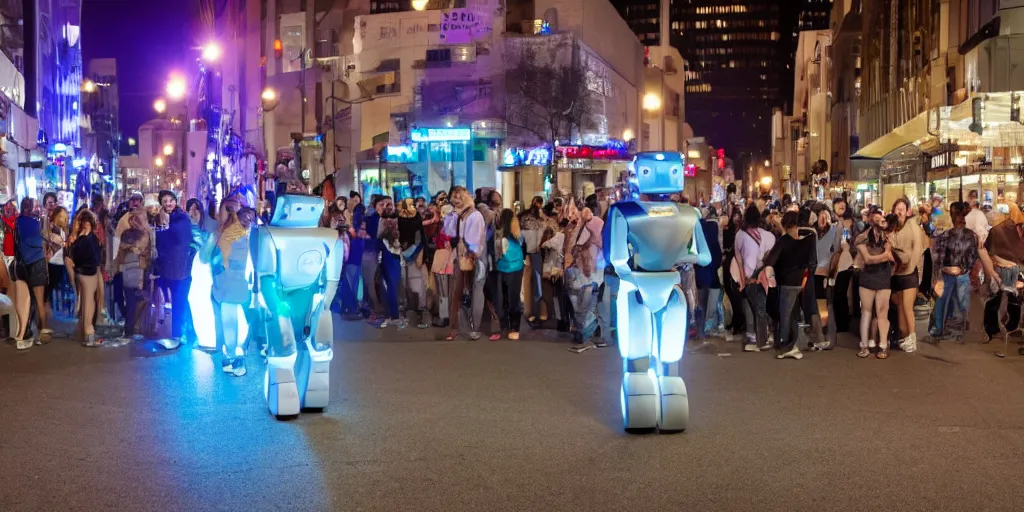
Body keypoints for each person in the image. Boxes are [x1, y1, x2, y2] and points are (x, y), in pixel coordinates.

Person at [209, 196, 254, 376]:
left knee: (230, 317)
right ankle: (232, 354)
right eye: (230, 209)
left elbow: (219, 256)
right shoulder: (230, 230)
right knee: (229, 317)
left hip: (232, 281)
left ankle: (233, 354)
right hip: (230, 280)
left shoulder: (234, 231)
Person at [763, 210, 816, 360]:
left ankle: (788, 345)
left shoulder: (784, 241)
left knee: (785, 314)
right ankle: (792, 344)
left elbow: (770, 261)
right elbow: (811, 262)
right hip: (801, 281)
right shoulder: (807, 240)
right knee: (793, 314)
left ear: (785, 224)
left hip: (786, 282)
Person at [929, 201, 979, 340]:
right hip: (946, 274)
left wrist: (962, 269)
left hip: (961, 274)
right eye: (957, 215)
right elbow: (938, 256)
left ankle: (958, 329)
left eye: (962, 215)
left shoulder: (970, 236)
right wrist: (940, 272)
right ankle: (938, 328)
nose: (960, 218)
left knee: (962, 303)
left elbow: (973, 255)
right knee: (941, 301)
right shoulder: (945, 235)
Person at [444, 186, 487, 341]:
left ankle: (475, 326)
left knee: (475, 292)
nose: (457, 200)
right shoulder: (454, 215)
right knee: (456, 292)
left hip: (473, 258)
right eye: (454, 197)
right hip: (458, 258)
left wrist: (471, 253)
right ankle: (455, 327)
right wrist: (451, 216)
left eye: (460, 197)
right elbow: (448, 233)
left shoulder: (475, 215)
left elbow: (475, 239)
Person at [734, 203, 776, 352]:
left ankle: (762, 338)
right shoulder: (768, 235)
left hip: (750, 275)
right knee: (761, 306)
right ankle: (768, 333)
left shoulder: (740, 235)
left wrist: (742, 279)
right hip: (765, 276)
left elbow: (738, 259)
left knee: (757, 307)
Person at [154, 190, 192, 348]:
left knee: (180, 301)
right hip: (168, 267)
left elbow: (178, 239)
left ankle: (180, 334)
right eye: (164, 201)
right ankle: (184, 332)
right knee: (176, 301)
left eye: (170, 200)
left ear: (175, 201)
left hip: (180, 268)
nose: (168, 203)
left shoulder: (181, 218)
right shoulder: (163, 219)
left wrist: (165, 228)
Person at [855, 208, 895, 358]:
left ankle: (883, 345)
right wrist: (885, 254)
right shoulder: (862, 238)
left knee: (882, 312)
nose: (880, 223)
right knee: (866, 312)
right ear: (871, 222)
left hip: (883, 278)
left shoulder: (888, 237)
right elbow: (867, 259)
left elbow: (894, 258)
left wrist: (883, 256)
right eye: (876, 220)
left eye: (882, 219)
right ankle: (864, 346)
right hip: (867, 278)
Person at [566, 205, 606, 352]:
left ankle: (588, 337)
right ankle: (590, 336)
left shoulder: (592, 227)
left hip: (590, 276)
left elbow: (578, 248)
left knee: (584, 307)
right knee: (586, 307)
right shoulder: (588, 229)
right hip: (590, 275)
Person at [13, 197, 51, 349]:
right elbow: (42, 241)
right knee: (39, 300)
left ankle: (25, 330)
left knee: (25, 300)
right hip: (38, 261)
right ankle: (43, 332)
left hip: (23, 264)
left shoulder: (18, 222)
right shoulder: (36, 223)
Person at [888, 197, 923, 352]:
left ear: (907, 210)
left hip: (908, 273)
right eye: (897, 208)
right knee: (900, 306)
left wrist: (912, 267)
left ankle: (913, 338)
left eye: (903, 208)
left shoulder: (912, 224)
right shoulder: (892, 227)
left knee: (908, 307)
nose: (900, 211)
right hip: (896, 274)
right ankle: (904, 335)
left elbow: (917, 247)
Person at [113, 208, 151, 344]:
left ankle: (132, 326)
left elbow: (144, 250)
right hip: (132, 271)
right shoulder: (133, 234)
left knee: (136, 300)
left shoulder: (144, 234)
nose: (135, 222)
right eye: (133, 219)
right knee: (132, 300)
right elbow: (125, 249)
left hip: (138, 270)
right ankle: (130, 327)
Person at [68, 209, 104, 346]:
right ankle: (89, 335)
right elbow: (96, 258)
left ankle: (83, 332)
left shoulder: (78, 239)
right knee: (89, 304)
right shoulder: (91, 239)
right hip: (89, 274)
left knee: (83, 304)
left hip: (79, 273)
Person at [493, 208, 525, 340]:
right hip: (515, 267)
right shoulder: (517, 235)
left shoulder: (499, 234)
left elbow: (498, 253)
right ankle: (514, 328)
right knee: (513, 299)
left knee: (504, 299)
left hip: (504, 268)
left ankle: (507, 327)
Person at [398, 198, 429, 328]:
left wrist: (406, 251)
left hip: (413, 256)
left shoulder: (412, 217)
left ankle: (419, 314)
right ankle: (412, 313)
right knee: (409, 285)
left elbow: (418, 238)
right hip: (408, 255)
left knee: (415, 285)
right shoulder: (400, 216)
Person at [376, 198, 404, 328]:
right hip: (389, 256)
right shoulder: (383, 221)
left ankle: (393, 315)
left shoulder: (395, 221)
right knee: (389, 286)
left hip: (392, 256)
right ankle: (391, 315)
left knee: (391, 286)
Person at [519, 196, 547, 327]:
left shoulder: (522, 217)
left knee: (523, 284)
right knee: (537, 284)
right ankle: (537, 314)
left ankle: (526, 311)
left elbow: (519, 236)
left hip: (523, 252)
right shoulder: (543, 219)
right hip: (536, 252)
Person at [721, 206, 746, 341]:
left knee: (737, 293)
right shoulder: (729, 229)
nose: (736, 217)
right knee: (729, 290)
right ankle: (737, 319)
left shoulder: (743, 231)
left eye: (738, 214)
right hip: (729, 263)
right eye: (734, 214)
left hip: (738, 264)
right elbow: (726, 244)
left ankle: (739, 321)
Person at [44, 207, 69, 321]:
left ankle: (47, 310)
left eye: (65, 216)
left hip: (60, 263)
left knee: (51, 288)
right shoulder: (51, 229)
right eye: (61, 216)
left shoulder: (63, 230)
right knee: (48, 289)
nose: (64, 218)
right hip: (52, 263)